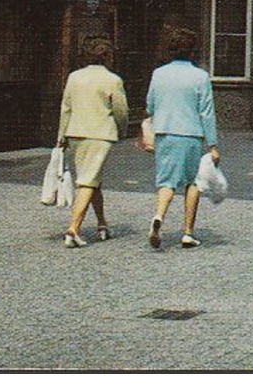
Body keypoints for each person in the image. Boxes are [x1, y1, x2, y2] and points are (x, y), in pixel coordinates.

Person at [144, 26, 220, 249]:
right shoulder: (200, 76)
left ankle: (158, 215)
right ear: (192, 51)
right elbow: (206, 112)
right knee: (193, 182)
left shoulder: (159, 74)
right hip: (191, 134)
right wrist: (213, 144)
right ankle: (188, 232)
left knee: (166, 181)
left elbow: (150, 104)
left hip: (165, 133)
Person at [56, 36, 129, 247]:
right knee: (88, 181)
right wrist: (122, 130)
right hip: (100, 135)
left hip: (76, 133)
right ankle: (73, 229)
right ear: (108, 56)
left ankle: (102, 224)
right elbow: (121, 111)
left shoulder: (74, 77)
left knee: (91, 178)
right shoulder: (113, 80)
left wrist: (61, 136)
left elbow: (66, 108)